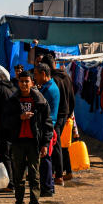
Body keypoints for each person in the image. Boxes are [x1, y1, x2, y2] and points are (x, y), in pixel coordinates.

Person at [3, 70, 53, 204]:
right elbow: (5, 122)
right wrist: (20, 117)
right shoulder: (12, 100)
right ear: (18, 83)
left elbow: (47, 124)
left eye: (27, 81)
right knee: (18, 175)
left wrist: (45, 143)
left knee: (34, 175)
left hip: (34, 143)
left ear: (32, 83)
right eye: (21, 81)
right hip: (18, 142)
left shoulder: (40, 101)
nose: (24, 84)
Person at [34, 62, 61, 196]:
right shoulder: (48, 86)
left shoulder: (49, 89)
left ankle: (47, 187)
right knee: (46, 157)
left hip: (47, 125)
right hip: (49, 124)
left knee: (45, 157)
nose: (35, 77)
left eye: (36, 74)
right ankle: (47, 186)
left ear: (43, 74)